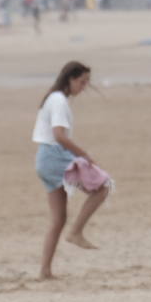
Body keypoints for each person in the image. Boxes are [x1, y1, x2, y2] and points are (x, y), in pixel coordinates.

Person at [34, 61, 108, 279]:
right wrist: (83, 155)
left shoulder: (54, 98)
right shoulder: (58, 100)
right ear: (71, 79)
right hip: (54, 156)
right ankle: (76, 232)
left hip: (44, 159)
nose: (84, 87)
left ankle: (45, 270)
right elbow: (59, 135)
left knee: (58, 218)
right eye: (82, 82)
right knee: (102, 186)